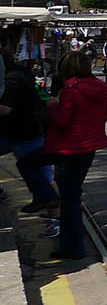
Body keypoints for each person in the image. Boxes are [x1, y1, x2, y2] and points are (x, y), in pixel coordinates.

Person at [43, 51, 107, 260]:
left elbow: (62, 120)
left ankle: (73, 246)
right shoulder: (98, 88)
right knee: (72, 194)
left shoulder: (70, 90)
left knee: (69, 198)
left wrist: (52, 105)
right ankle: (71, 241)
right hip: (88, 148)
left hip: (69, 148)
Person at [0, 60, 59, 229]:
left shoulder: (11, 81)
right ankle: (55, 217)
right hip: (25, 132)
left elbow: (5, 109)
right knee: (40, 174)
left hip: (22, 134)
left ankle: (56, 218)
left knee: (40, 174)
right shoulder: (21, 76)